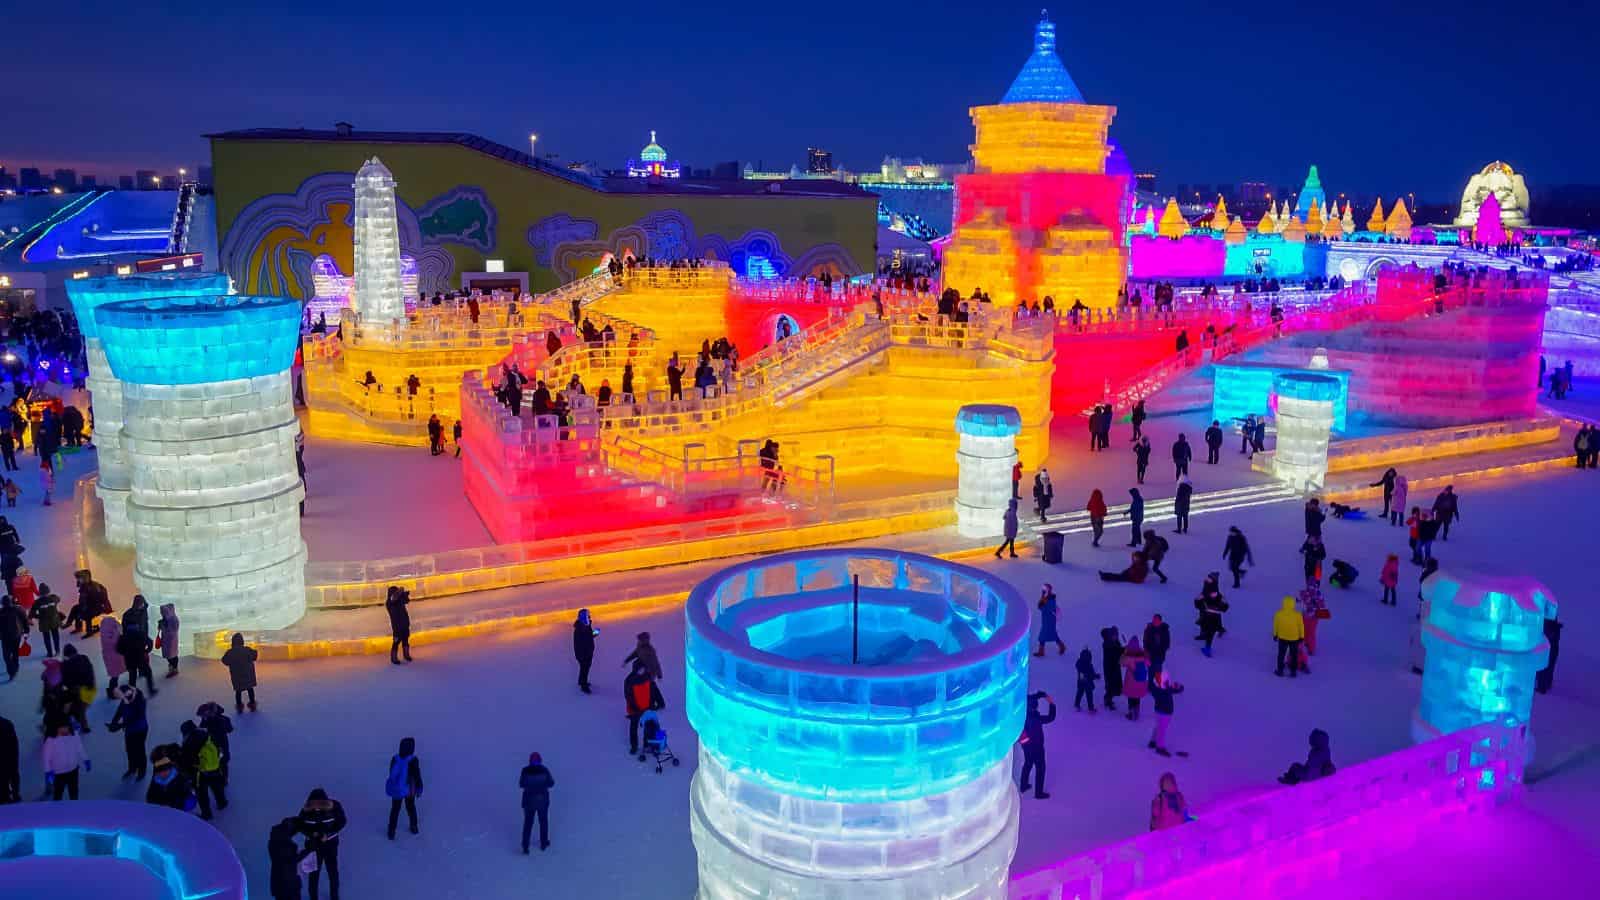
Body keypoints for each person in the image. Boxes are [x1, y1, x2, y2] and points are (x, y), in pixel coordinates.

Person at [296, 789, 348, 900]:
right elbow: (300, 825)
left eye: (321, 803)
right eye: (314, 804)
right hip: (313, 847)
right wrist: (311, 834)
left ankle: (334, 896)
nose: (317, 808)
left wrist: (328, 834)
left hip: (330, 846)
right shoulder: (306, 810)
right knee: (314, 874)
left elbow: (342, 821)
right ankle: (313, 897)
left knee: (332, 872)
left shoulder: (335, 807)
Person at [180, 719, 226, 819]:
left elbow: (186, 760)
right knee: (216, 787)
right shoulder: (206, 734)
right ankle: (222, 802)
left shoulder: (188, 742)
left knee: (202, 794)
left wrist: (188, 774)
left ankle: (206, 814)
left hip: (200, 772)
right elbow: (218, 747)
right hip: (214, 767)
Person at [1016, 691, 1055, 799]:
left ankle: (1023, 785)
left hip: (1025, 744)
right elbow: (1051, 718)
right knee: (1040, 767)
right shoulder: (1036, 719)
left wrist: (1039, 695)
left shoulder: (1022, 714)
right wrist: (1051, 704)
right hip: (1037, 746)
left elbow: (1028, 697)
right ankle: (1039, 793)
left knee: (1028, 763)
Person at [106, 684, 148, 779]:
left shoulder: (140, 700)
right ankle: (132, 768)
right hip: (129, 730)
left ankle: (142, 770)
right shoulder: (125, 697)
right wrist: (113, 722)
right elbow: (120, 710)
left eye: (121, 697)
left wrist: (120, 725)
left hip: (140, 729)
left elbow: (136, 717)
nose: (121, 699)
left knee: (139, 750)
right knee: (129, 749)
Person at [624, 661, 666, 755]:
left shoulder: (648, 677)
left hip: (647, 707)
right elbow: (628, 696)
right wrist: (634, 707)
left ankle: (649, 745)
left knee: (651, 725)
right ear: (635, 669)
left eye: (643, 669)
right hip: (635, 709)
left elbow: (655, 690)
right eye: (640, 669)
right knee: (633, 727)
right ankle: (634, 746)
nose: (641, 671)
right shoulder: (630, 680)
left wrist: (660, 702)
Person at [385, 737, 423, 839]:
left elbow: (391, 772)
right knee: (411, 807)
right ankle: (414, 826)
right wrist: (419, 787)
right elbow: (417, 775)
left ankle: (391, 831)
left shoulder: (395, 758)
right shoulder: (413, 760)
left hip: (397, 788)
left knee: (395, 809)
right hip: (409, 788)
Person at [519, 752, 556, 854]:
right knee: (543, 822)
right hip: (542, 801)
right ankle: (544, 843)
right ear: (540, 760)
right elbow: (551, 783)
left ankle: (525, 846)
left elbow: (521, 784)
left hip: (528, 802)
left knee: (528, 824)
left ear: (530, 761)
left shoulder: (525, 771)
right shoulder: (544, 770)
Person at [269, 817, 313, 900]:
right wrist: (308, 849)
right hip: (287, 884)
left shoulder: (277, 837)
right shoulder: (282, 841)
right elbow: (291, 860)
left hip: (281, 882)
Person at [43, 722, 87, 800]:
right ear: (56, 728)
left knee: (74, 792)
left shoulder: (74, 736)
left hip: (73, 770)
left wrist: (86, 759)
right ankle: (57, 806)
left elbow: (80, 748)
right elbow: (46, 757)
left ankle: (74, 804)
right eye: (61, 727)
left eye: (66, 727)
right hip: (59, 773)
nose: (64, 729)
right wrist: (48, 771)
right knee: (58, 793)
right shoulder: (51, 740)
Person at [145, 744, 196, 812]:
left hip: (176, 813)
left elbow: (191, 802)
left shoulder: (182, 779)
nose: (161, 774)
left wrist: (175, 804)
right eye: (158, 770)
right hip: (160, 813)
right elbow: (150, 797)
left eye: (165, 769)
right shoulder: (157, 779)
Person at [117, 615, 157, 696]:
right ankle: (151, 690)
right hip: (141, 659)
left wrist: (125, 653)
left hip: (129, 660)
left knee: (132, 677)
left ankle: (132, 693)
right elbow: (150, 642)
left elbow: (118, 649)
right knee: (148, 673)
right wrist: (146, 651)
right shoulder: (141, 634)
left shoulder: (123, 636)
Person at [1148, 670, 1184, 756]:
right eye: (1166, 680)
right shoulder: (1163, 690)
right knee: (1161, 730)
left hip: (1159, 711)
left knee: (1158, 727)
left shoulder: (1158, 689)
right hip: (1165, 713)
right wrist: (1177, 687)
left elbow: (1171, 689)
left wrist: (1175, 687)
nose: (1168, 682)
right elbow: (1174, 689)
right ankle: (1160, 747)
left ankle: (1153, 741)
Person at [221, 633, 258, 712]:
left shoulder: (230, 652)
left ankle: (239, 707)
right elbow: (255, 656)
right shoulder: (247, 650)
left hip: (236, 676)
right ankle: (252, 705)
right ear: (242, 641)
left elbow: (224, 660)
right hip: (248, 675)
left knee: (238, 691)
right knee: (250, 689)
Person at [1194, 573, 1229, 657]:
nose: (1207, 579)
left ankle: (1208, 648)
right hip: (1207, 613)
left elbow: (1225, 606)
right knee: (1206, 627)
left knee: (1210, 631)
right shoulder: (1208, 588)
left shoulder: (1215, 593)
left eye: (1209, 578)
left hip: (1211, 615)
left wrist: (1217, 607)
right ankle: (1205, 637)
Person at [1274, 596, 1306, 677]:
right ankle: (1293, 672)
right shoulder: (1297, 614)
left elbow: (1276, 625)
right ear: (1293, 604)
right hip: (1294, 638)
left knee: (1281, 654)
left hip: (1282, 637)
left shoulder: (1278, 613)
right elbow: (1301, 626)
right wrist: (1302, 636)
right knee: (1294, 655)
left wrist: (1275, 634)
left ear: (1283, 603)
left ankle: (1280, 671)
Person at [1120, 637, 1150, 721]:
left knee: (1131, 698)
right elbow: (1149, 663)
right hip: (1141, 681)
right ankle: (1136, 712)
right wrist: (1144, 653)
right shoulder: (1143, 656)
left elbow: (1121, 662)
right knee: (1137, 698)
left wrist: (1124, 653)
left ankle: (1131, 713)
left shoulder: (1128, 658)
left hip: (1131, 682)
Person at [0, 593, 26, 681]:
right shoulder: (18, 609)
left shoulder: (15, 610)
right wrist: (26, 630)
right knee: (13, 653)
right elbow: (24, 619)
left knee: (7, 655)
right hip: (14, 635)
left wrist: (26, 629)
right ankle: (14, 669)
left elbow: (24, 619)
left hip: (8, 636)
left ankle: (12, 671)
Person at [30, 585, 61, 658]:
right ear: (48, 591)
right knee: (56, 636)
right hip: (54, 621)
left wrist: (39, 616)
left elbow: (32, 613)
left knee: (47, 638)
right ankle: (57, 651)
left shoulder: (37, 602)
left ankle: (49, 653)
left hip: (44, 623)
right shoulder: (54, 598)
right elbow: (58, 599)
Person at [99, 616, 126, 698]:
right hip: (114, 657)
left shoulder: (104, 632)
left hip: (109, 657)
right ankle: (112, 692)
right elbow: (115, 640)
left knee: (114, 675)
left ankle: (112, 690)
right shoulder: (113, 634)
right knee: (115, 676)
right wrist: (117, 631)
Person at [1034, 586, 1065, 657]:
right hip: (1046, 620)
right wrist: (1042, 599)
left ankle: (1041, 651)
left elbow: (1043, 608)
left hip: (1050, 620)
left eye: (1044, 589)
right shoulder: (1046, 597)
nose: (1043, 590)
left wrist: (1042, 603)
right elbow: (1040, 606)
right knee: (1050, 635)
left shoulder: (1051, 599)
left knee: (1044, 635)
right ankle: (1061, 647)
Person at [385, 586, 412, 666]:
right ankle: (394, 658)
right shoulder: (389, 603)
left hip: (405, 624)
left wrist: (404, 595)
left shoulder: (399, 601)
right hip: (397, 627)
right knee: (396, 642)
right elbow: (394, 598)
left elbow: (407, 600)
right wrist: (400, 591)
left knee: (405, 640)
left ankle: (406, 655)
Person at [573, 609, 597, 694]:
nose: (589, 617)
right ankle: (584, 685)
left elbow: (589, 636)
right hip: (583, 654)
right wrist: (583, 655)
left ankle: (581, 681)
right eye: (588, 616)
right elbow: (582, 642)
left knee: (584, 668)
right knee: (585, 669)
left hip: (587, 653)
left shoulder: (586, 626)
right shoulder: (580, 629)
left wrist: (594, 633)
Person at [1100, 627, 1124, 711]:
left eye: (1116, 635)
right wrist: (1123, 650)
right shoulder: (1108, 644)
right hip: (1109, 667)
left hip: (1115, 666)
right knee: (1110, 684)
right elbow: (1115, 653)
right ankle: (1108, 700)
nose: (1116, 637)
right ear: (1110, 636)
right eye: (1114, 635)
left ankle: (1109, 698)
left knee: (1114, 684)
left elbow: (1118, 651)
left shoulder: (1115, 642)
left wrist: (1123, 649)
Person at [158, 604, 180, 677]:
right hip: (166, 640)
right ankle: (172, 667)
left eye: (163, 613)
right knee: (169, 655)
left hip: (171, 641)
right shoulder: (166, 619)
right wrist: (161, 625)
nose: (162, 614)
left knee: (172, 655)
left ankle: (174, 668)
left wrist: (163, 626)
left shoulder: (174, 619)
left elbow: (172, 631)